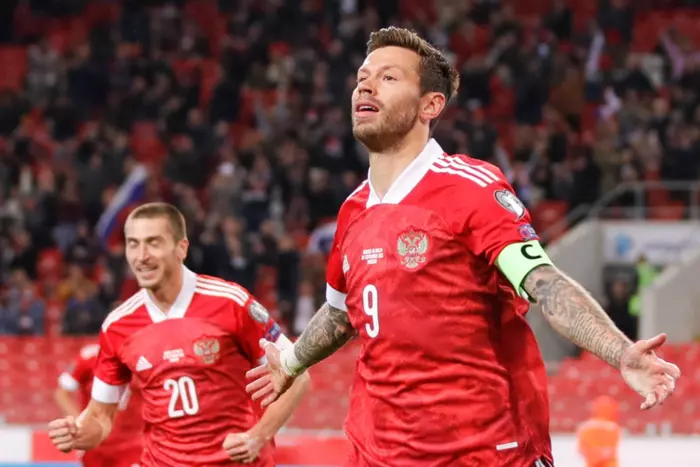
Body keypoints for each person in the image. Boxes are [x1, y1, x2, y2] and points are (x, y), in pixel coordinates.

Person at [245, 27, 681, 467]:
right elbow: (341, 315)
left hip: (483, 452)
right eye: (363, 77)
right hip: (378, 454)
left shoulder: (471, 188)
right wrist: (292, 361)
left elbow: (544, 283)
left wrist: (619, 352)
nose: (366, 85)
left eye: (389, 77)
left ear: (430, 105)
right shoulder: (352, 211)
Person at [48, 202, 310, 466]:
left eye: (153, 243)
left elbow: (298, 375)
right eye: (133, 244)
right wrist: (78, 432)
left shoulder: (231, 303)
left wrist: (258, 436)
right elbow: (100, 417)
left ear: (181, 248)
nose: (141, 256)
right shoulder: (118, 326)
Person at [54, 342, 143, 467]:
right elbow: (62, 394)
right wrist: (79, 424)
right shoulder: (90, 356)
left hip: (131, 444)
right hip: (95, 443)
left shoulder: (143, 356)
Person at [577, 395, 621, 467]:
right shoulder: (613, 429)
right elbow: (612, 451)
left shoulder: (586, 428)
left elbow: (582, 449)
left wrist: (594, 456)